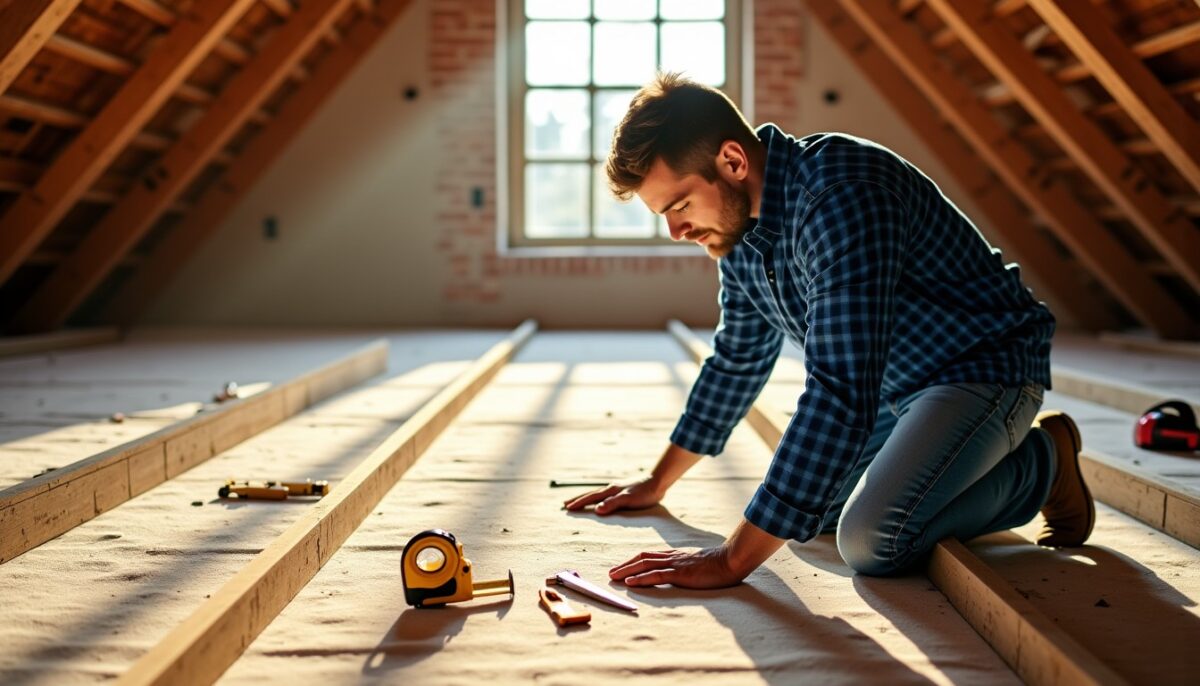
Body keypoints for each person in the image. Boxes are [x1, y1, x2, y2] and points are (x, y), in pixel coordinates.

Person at [563, 72, 1095, 589]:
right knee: (813, 515)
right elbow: (737, 360)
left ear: (732, 161)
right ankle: (962, 460)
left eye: (679, 205)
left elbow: (840, 390)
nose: (677, 232)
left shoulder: (841, 196)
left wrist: (729, 562)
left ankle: (1042, 463)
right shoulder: (739, 233)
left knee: (872, 540)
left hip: (982, 366)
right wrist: (657, 482)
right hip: (897, 389)